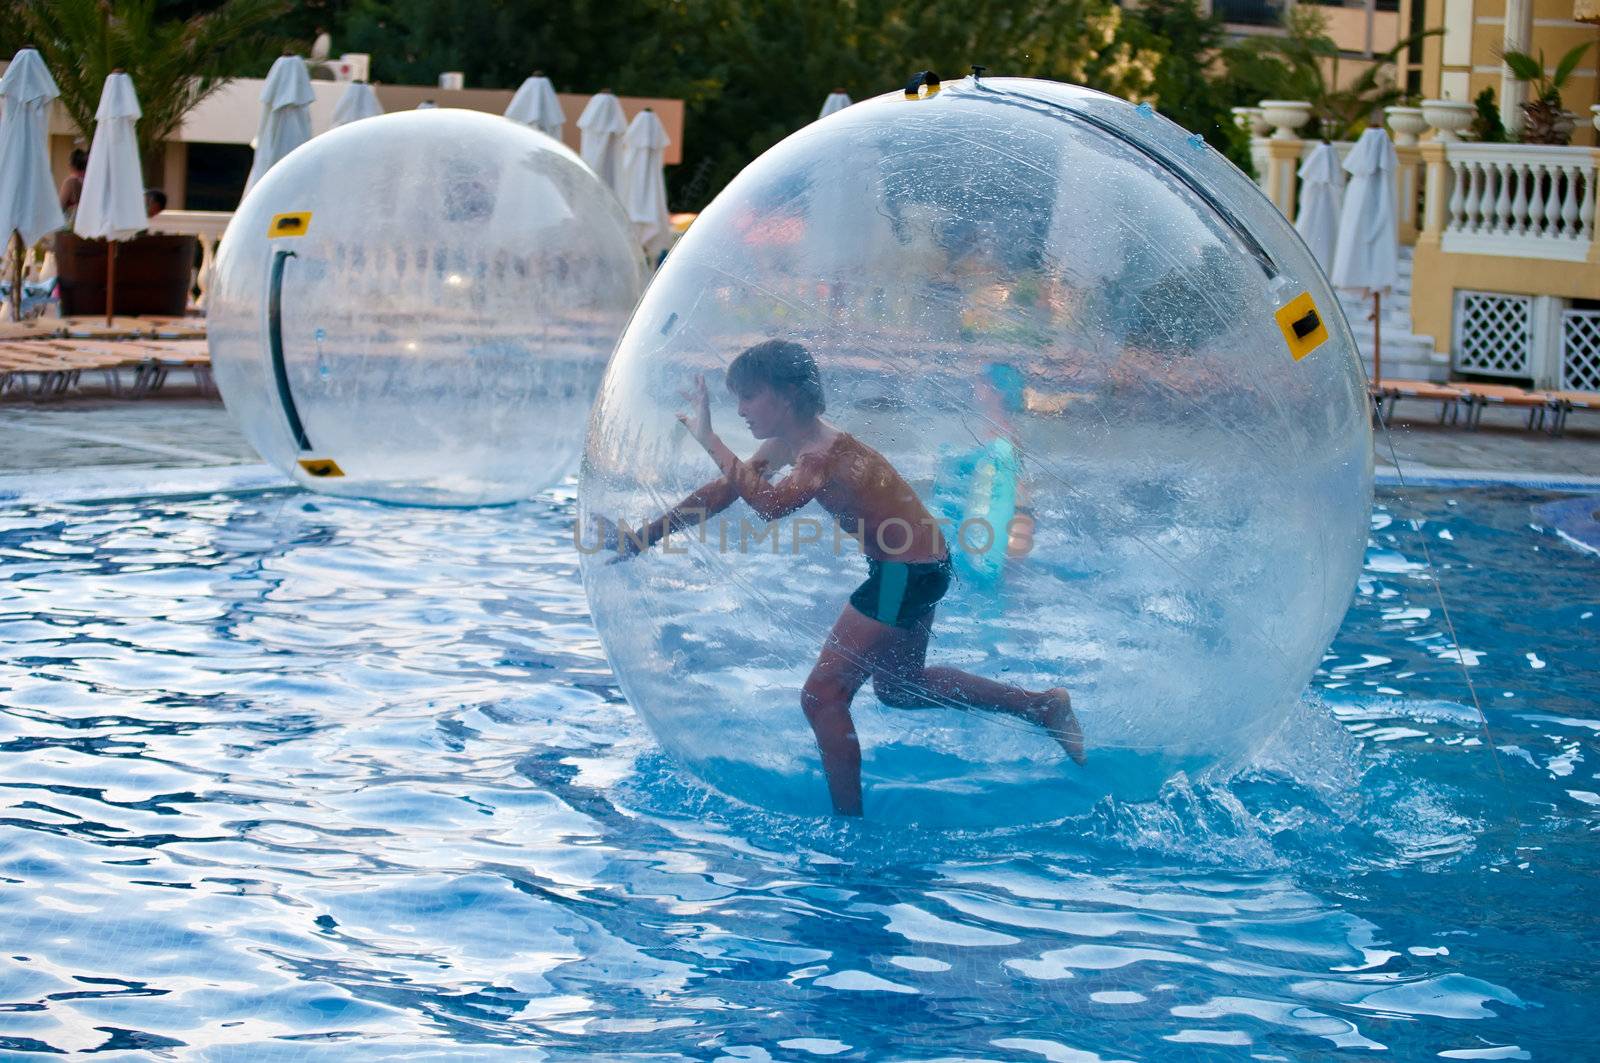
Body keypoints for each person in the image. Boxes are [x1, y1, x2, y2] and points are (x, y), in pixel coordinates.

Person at [616, 339, 1083, 817]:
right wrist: (646, 536)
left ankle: (848, 826)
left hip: (905, 573)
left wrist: (710, 439)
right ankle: (1041, 706)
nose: (741, 410)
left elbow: (769, 505)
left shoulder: (822, 454)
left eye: (749, 396)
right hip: (916, 567)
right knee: (899, 688)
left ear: (787, 396)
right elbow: (727, 491)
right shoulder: (791, 444)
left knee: (822, 696)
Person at [58, 148, 88, 222]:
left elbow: (60, 207)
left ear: (71, 165)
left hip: (73, 225)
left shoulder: (70, 182)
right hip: (88, 223)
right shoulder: (89, 181)